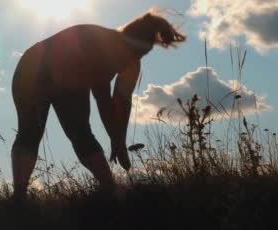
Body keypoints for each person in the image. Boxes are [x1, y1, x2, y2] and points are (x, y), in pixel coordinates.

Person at [11, 11, 186, 199]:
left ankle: (109, 190)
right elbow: (103, 100)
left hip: (70, 81)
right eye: (135, 52)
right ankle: (19, 197)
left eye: (143, 54)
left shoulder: (132, 61)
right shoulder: (104, 45)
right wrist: (117, 141)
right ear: (126, 42)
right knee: (30, 132)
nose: (135, 59)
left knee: (81, 134)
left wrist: (119, 140)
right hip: (33, 68)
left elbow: (121, 101)